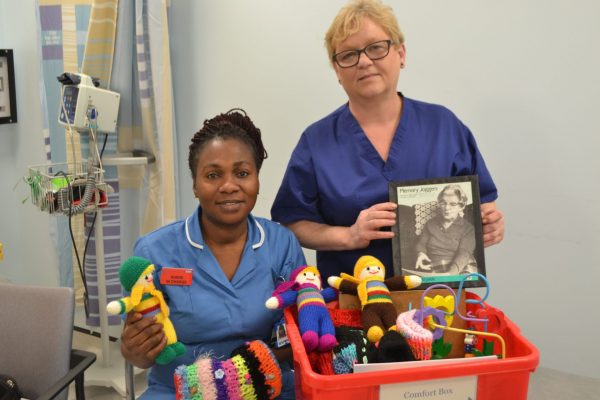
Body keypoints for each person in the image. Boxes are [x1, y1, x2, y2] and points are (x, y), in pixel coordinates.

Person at [271, 0, 504, 281]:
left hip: (437, 300)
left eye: (376, 47)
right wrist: (349, 236)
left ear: (401, 53)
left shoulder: (444, 127)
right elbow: (292, 221)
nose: (365, 61)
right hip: (351, 304)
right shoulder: (316, 142)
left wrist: (489, 224)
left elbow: (483, 204)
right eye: (348, 55)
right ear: (337, 70)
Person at [121, 109, 306, 399]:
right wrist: (134, 349)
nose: (229, 185)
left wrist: (242, 374)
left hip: (266, 383)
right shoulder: (153, 251)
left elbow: (297, 336)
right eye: (212, 175)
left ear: (257, 180)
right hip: (179, 389)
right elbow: (142, 357)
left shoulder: (281, 244)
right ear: (195, 185)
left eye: (242, 173)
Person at [414, 184, 477, 275]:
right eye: (443, 203)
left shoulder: (468, 229)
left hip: (461, 266)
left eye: (453, 204)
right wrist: (420, 253)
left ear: (461, 206)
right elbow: (421, 244)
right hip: (436, 266)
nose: (447, 208)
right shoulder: (430, 224)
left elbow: (464, 254)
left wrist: (450, 274)